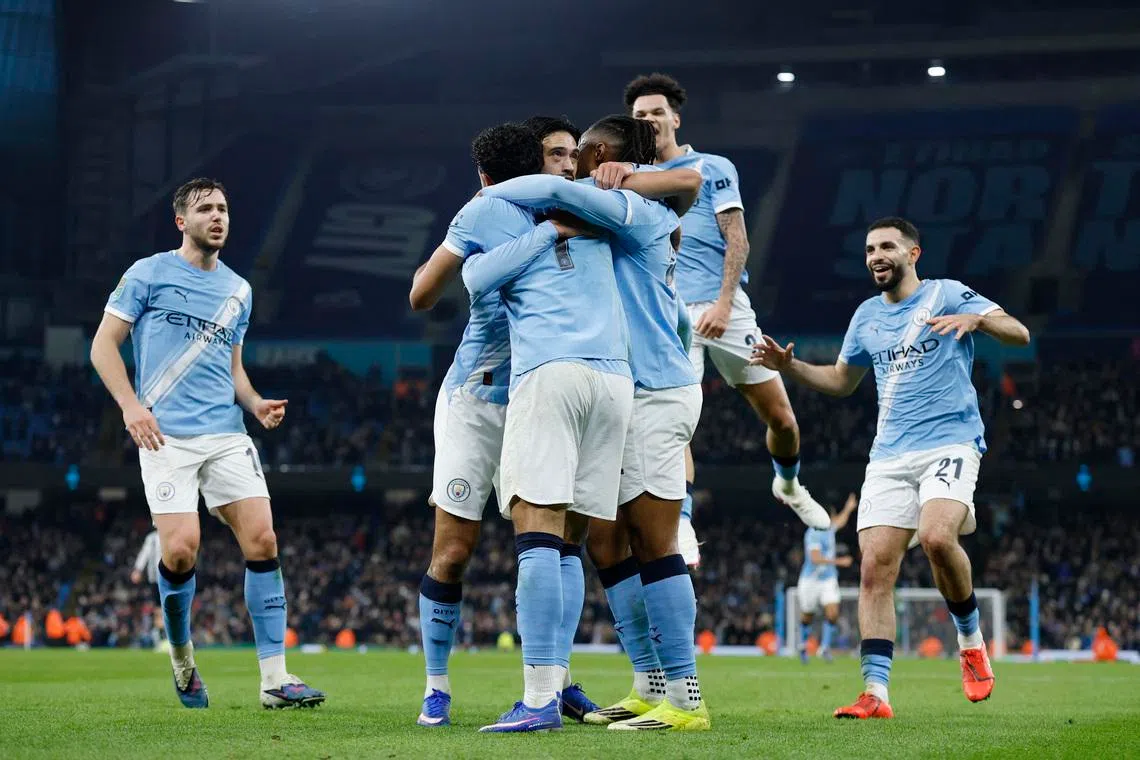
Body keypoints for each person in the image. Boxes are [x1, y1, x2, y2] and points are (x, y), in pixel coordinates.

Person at [479, 116, 710, 731]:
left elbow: (556, 195)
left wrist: (487, 193)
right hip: (633, 388)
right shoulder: (629, 212)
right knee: (608, 542)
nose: (569, 161)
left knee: (656, 543)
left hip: (656, 393)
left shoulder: (632, 208)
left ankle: (685, 700)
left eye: (577, 151)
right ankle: (647, 682)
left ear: (602, 154)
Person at [750, 216, 1030, 719]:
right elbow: (840, 380)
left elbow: (1020, 333)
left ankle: (970, 642)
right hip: (889, 455)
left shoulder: (946, 294)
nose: (875, 256)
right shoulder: (865, 316)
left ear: (913, 253)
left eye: (886, 247)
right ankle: (875, 694)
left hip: (951, 441)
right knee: (875, 567)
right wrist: (788, 366)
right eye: (868, 250)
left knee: (938, 538)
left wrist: (979, 320)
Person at [90, 178, 325, 710]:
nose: (218, 216)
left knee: (263, 540)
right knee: (179, 549)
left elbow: (234, 370)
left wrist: (256, 402)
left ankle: (275, 681)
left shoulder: (239, 289)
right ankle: (182, 661)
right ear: (182, 221)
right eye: (205, 209)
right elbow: (103, 345)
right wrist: (131, 406)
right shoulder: (147, 273)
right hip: (164, 434)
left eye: (223, 207)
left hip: (225, 433)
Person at [408, 119, 600, 727]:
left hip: (546, 397)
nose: (569, 166)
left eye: (575, 155)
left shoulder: (592, 213)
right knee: (456, 550)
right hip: (478, 399)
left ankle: (555, 680)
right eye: (557, 155)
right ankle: (436, 686)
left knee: (561, 541)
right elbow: (421, 293)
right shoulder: (485, 213)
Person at [456, 145, 635, 733]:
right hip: (615, 381)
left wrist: (535, 233)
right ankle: (558, 683)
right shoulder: (619, 211)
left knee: (536, 534)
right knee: (569, 545)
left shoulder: (493, 209)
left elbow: (473, 278)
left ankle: (537, 700)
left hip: (551, 373)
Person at [625, 72, 831, 567]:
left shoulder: (712, 167)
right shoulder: (630, 176)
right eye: (639, 116)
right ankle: (684, 520)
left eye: (656, 112)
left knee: (781, 419)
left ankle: (788, 483)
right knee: (676, 423)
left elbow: (737, 238)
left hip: (726, 306)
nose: (649, 120)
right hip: (667, 312)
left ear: (675, 117)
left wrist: (722, 303)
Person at [797, 493, 857, 663]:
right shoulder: (813, 534)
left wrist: (848, 508)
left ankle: (824, 648)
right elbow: (815, 558)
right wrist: (840, 561)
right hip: (810, 580)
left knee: (832, 613)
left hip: (828, 580)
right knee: (807, 615)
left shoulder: (829, 528)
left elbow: (841, 520)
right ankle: (803, 645)